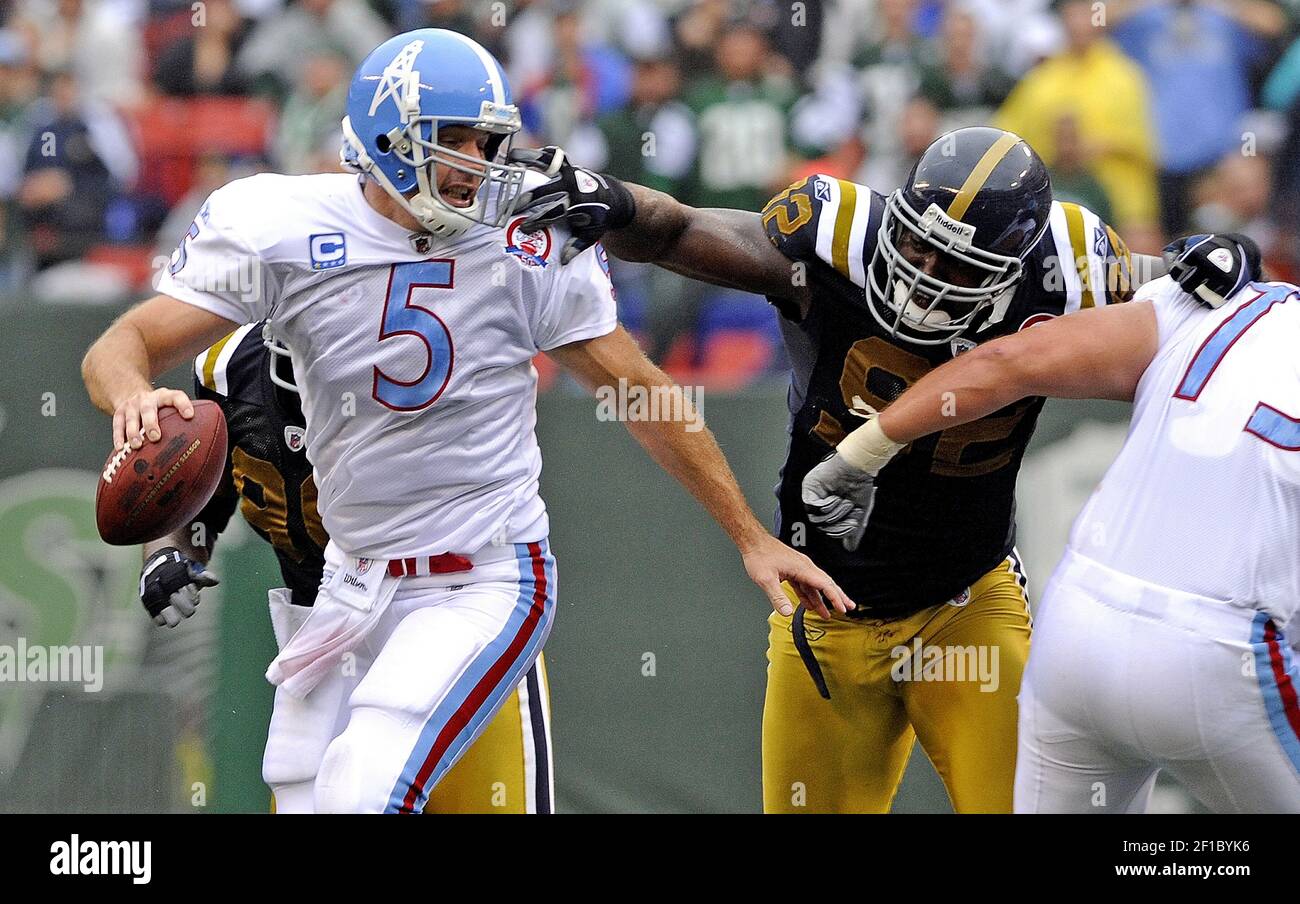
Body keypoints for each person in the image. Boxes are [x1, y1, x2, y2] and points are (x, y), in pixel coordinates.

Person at [82, 28, 850, 814]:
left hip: (480, 575)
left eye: (490, 140)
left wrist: (751, 536)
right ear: (387, 135)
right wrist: (135, 396)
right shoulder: (277, 226)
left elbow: (641, 394)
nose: (478, 162)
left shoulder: (523, 234)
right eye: (455, 140)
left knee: (360, 792)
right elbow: (123, 345)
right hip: (350, 582)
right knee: (307, 795)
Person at [515, 126, 1149, 812]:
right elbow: (679, 232)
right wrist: (613, 200)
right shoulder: (839, 238)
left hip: (967, 602)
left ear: (1017, 263)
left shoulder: (1070, 267)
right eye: (916, 247)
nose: (925, 277)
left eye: (957, 269)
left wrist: (1212, 261)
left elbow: (1177, 300)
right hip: (827, 614)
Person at [802, 234, 1300, 813]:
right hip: (1227, 648)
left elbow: (1005, 360)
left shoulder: (1228, 304)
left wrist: (859, 454)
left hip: (1080, 630)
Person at [138, 324, 555, 813]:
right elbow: (193, 504)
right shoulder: (229, 373)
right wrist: (165, 553)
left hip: (450, 618)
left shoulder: (433, 362)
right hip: (325, 640)